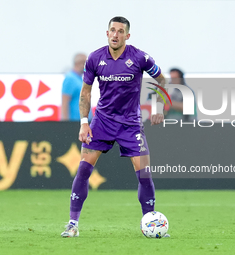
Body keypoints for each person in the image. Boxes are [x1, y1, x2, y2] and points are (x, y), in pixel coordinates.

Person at [61, 16, 169, 238]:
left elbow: (162, 79)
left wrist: (157, 107)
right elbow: (86, 92)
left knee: (145, 175)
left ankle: (149, 222)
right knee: (83, 170)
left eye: (121, 31)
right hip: (102, 122)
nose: (116, 34)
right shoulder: (95, 58)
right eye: (112, 30)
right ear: (107, 33)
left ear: (127, 36)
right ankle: (72, 224)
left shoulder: (139, 57)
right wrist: (84, 123)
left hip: (131, 124)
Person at [61, 53, 88, 121]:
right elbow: (65, 102)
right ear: (80, 63)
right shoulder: (70, 79)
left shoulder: (79, 79)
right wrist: (65, 124)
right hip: (74, 122)